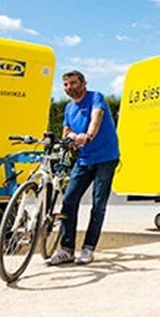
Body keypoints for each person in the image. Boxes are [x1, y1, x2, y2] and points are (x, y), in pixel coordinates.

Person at [49, 70, 120, 267]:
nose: (69, 87)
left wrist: (88, 135)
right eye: (66, 84)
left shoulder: (96, 97)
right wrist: (71, 137)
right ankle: (66, 249)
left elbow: (97, 117)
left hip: (106, 158)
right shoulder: (69, 108)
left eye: (73, 83)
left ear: (83, 83)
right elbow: (66, 130)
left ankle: (88, 248)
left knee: (98, 204)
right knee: (69, 201)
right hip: (83, 160)